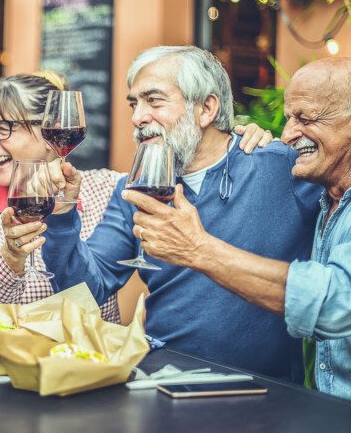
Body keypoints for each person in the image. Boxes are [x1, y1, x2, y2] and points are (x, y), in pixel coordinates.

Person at [20, 45, 321, 381]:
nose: (137, 118)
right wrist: (61, 215)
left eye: (154, 100)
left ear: (206, 108)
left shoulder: (280, 168)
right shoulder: (133, 189)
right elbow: (87, 289)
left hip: (266, 391)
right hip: (162, 378)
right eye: (134, 104)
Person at [0, 71, 269, 323]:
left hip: (93, 368)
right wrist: (11, 259)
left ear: (49, 127)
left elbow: (195, 188)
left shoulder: (110, 188)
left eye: (3, 128)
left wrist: (234, 142)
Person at [125, 56, 351, 399]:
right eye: (289, 119)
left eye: (305, 118)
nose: (287, 135)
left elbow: (339, 302)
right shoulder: (324, 193)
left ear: (207, 109)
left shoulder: (285, 174)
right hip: (319, 407)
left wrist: (198, 249)